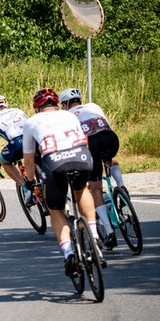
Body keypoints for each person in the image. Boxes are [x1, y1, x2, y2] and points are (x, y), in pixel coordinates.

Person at [23, 88, 101, 276]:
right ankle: (95, 235)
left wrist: (30, 181)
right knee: (81, 190)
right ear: (57, 104)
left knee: (56, 210)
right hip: (82, 156)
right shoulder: (69, 115)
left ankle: (69, 254)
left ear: (36, 108)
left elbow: (28, 158)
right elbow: (85, 142)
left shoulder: (31, 122)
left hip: (55, 163)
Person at [59, 88, 121, 250]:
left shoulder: (66, 115)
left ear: (65, 104)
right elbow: (107, 125)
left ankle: (109, 232)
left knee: (96, 189)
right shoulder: (93, 106)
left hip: (91, 144)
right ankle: (121, 186)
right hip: (110, 138)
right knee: (109, 159)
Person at [0, 94, 31, 202]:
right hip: (33, 138)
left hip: (17, 143)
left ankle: (26, 188)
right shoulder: (17, 110)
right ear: (6, 105)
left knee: (4, 160)